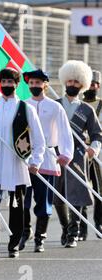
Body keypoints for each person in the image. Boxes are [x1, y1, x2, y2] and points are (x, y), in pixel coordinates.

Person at [0, 67, 46, 259]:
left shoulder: (26, 109)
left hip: (17, 164)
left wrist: (36, 161)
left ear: (17, 84)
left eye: (11, 82)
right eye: (4, 82)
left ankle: (14, 244)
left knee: (17, 207)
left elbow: (39, 139)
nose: (7, 85)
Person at [19, 69, 74, 252]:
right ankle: (24, 232)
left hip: (48, 159)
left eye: (37, 83)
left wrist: (65, 153)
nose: (34, 86)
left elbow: (65, 131)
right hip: (25, 158)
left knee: (44, 202)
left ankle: (40, 238)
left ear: (45, 85)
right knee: (23, 201)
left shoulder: (55, 107)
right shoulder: (22, 105)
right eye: (31, 83)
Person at [54, 60, 102, 248]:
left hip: (78, 153)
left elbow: (97, 134)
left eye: (76, 82)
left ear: (82, 84)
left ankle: (74, 231)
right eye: (70, 81)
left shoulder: (87, 109)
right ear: (65, 82)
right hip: (56, 153)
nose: (72, 85)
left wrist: (94, 148)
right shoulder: (55, 105)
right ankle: (65, 227)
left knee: (76, 192)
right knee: (58, 195)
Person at [81, 70, 102, 239]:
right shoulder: (78, 105)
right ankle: (82, 226)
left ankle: (99, 222)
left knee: (99, 189)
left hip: (97, 151)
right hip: (81, 150)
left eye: (95, 84)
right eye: (90, 83)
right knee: (80, 187)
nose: (92, 87)